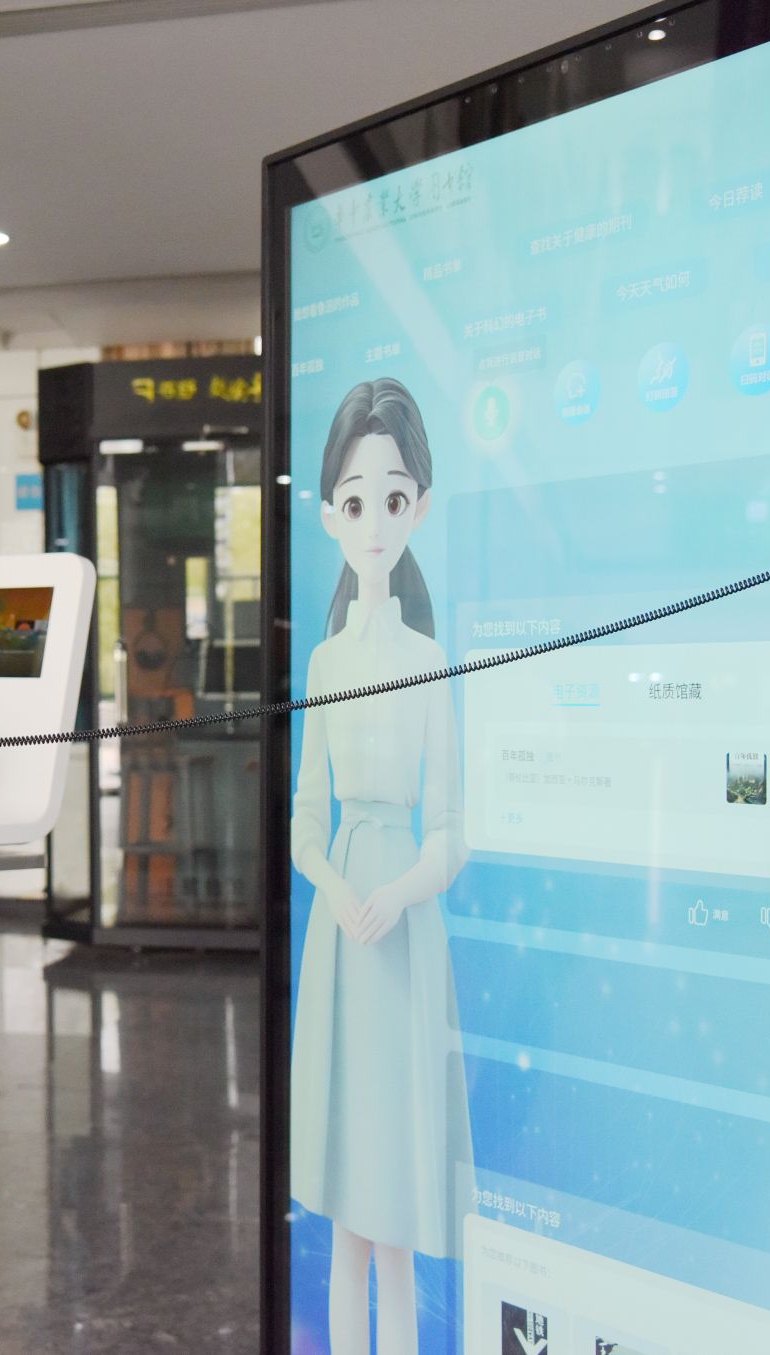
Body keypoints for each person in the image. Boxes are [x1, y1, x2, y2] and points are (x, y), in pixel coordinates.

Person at [289, 378, 471, 1355]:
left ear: (418, 507)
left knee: (392, 1219)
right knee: (345, 1224)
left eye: (392, 499)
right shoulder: (323, 665)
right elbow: (303, 822)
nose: (373, 522)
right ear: (330, 514)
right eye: (355, 502)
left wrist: (397, 894)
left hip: (400, 939)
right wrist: (335, 887)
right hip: (341, 937)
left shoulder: (432, 659)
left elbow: (448, 831)